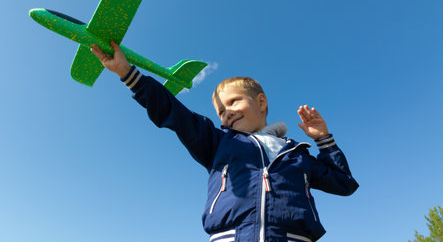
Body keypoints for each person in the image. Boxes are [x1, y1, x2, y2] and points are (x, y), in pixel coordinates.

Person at [91, 41, 359, 242]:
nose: (227, 112)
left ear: (261, 102)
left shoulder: (297, 154)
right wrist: (127, 74)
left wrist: (324, 141)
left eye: (234, 102)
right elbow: (173, 111)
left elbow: (344, 183)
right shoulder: (217, 142)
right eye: (221, 111)